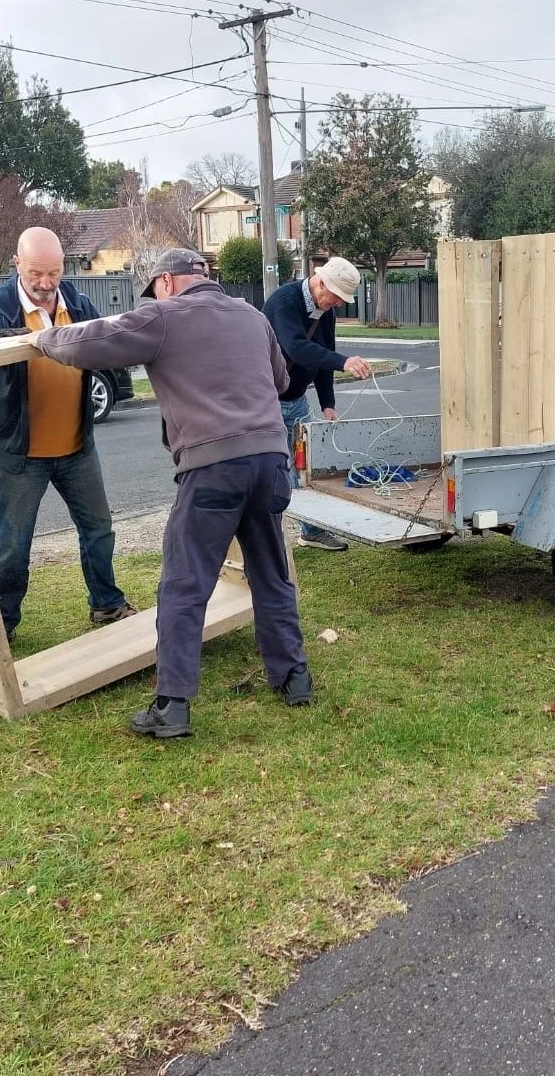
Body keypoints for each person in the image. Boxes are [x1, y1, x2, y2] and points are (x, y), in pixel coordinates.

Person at [31, 248, 312, 739]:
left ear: (164, 282)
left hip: (212, 467)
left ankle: (172, 705)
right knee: (271, 573)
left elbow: (87, 345)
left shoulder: (162, 317)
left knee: (184, 585)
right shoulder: (250, 315)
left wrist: (43, 336)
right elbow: (282, 380)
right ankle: (294, 678)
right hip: (270, 461)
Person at [0, 226, 135, 640]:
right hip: (22, 454)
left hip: (76, 446)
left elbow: (109, 344)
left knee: (98, 529)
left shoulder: (77, 301)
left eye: (53, 273)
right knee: (12, 544)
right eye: (36, 273)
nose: (45, 284)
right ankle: (2, 623)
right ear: (17, 264)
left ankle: (106, 604)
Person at [262, 256, 373, 551]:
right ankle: (265, 539)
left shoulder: (326, 311)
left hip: (297, 400)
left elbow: (324, 353)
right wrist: (344, 362)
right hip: (267, 401)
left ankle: (311, 531)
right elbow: (297, 347)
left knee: (310, 466)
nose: (337, 304)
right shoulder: (284, 302)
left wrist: (328, 403)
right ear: (320, 282)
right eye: (336, 296)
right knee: (275, 470)